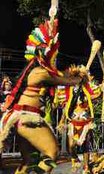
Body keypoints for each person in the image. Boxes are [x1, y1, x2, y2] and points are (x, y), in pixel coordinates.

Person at [0, 18, 89, 173]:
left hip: (23, 121)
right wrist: (80, 78)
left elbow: (63, 75)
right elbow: (65, 80)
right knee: (52, 153)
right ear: (45, 54)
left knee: (29, 160)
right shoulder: (40, 73)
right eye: (54, 54)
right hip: (29, 119)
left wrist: (76, 74)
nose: (55, 57)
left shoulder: (37, 71)